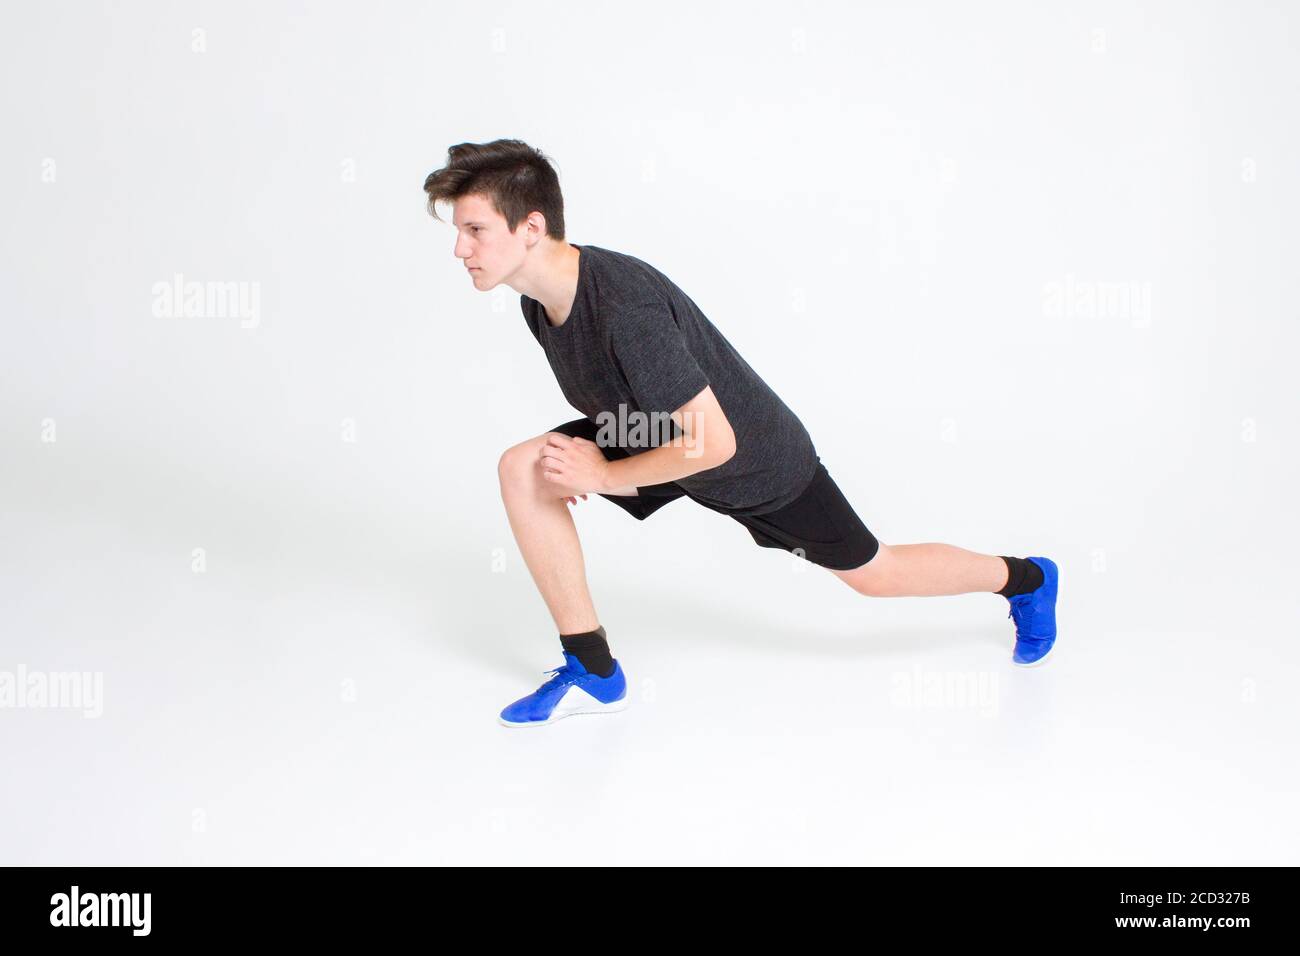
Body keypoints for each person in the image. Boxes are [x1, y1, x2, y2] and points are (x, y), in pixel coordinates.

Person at [422, 139, 1059, 728]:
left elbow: (715, 442)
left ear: (531, 227)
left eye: (475, 230)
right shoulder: (540, 301)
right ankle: (592, 666)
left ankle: (1026, 579)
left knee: (876, 574)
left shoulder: (624, 309)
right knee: (524, 468)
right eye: (460, 232)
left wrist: (607, 474)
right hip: (658, 437)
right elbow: (642, 415)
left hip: (755, 464)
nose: (461, 249)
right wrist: (601, 456)